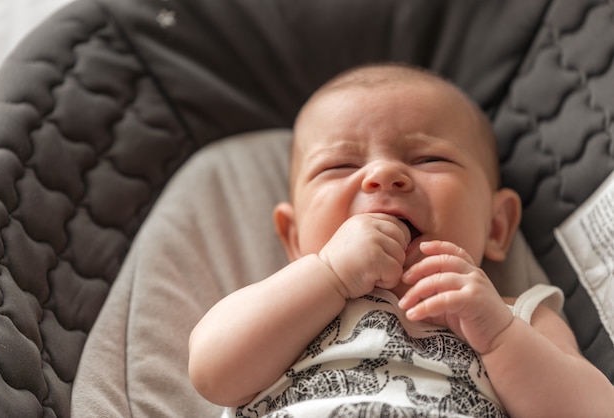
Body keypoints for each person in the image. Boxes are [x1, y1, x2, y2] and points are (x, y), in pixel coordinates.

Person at [188, 63, 614, 417]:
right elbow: (212, 373)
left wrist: (500, 337)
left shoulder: (518, 316)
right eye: (339, 166)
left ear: (497, 227)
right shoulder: (285, 306)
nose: (383, 175)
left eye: (430, 158)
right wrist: (330, 274)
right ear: (294, 237)